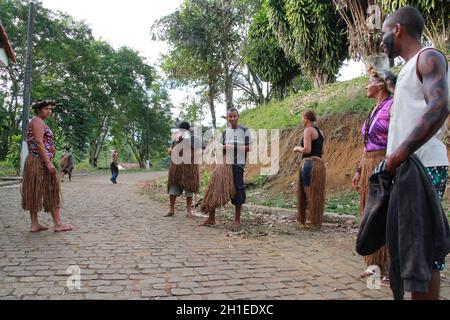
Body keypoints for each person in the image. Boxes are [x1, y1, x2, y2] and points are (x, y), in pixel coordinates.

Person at [379, 6, 449, 300]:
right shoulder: (407, 69)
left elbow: (440, 107)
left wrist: (397, 157)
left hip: (423, 168)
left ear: (397, 29)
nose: (382, 41)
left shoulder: (428, 57)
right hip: (408, 169)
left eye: (384, 33)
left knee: (421, 256)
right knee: (414, 253)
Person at [352, 65, 396, 282]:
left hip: (384, 164)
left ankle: (389, 265)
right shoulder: (373, 110)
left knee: (384, 214)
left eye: (369, 82)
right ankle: (373, 265)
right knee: (369, 214)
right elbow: (365, 144)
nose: (366, 87)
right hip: (369, 163)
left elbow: (397, 138)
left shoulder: (393, 106)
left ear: (380, 85)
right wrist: (359, 170)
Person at [21, 99, 72, 233]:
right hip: (40, 162)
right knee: (51, 189)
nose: (49, 111)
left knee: (34, 190)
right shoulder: (37, 121)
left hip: (36, 161)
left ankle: (35, 224)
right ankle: (58, 224)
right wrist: (48, 163)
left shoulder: (38, 121)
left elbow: (41, 141)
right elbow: (38, 142)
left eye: (50, 109)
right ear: (38, 110)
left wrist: (52, 151)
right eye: (46, 109)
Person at [201, 108, 252, 228]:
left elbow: (249, 148)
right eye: (230, 116)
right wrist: (225, 147)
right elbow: (220, 147)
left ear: (238, 116)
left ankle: (237, 220)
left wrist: (233, 147)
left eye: (234, 116)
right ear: (227, 118)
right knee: (214, 188)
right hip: (223, 165)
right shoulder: (225, 132)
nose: (232, 118)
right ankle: (211, 218)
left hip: (237, 165)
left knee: (238, 190)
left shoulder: (244, 130)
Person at [294, 110, 326, 229]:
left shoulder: (308, 130)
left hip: (309, 164)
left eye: (303, 118)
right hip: (319, 165)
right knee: (317, 193)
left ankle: (310, 220)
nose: (302, 120)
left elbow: (307, 150)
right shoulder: (320, 132)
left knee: (309, 193)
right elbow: (322, 151)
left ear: (306, 118)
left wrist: (297, 148)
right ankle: (316, 219)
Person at [165, 121, 200, 218]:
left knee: (189, 188)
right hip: (176, 169)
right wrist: (170, 150)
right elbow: (170, 150)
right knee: (173, 187)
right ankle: (171, 209)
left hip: (189, 168)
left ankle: (189, 210)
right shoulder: (175, 139)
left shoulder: (193, 139)